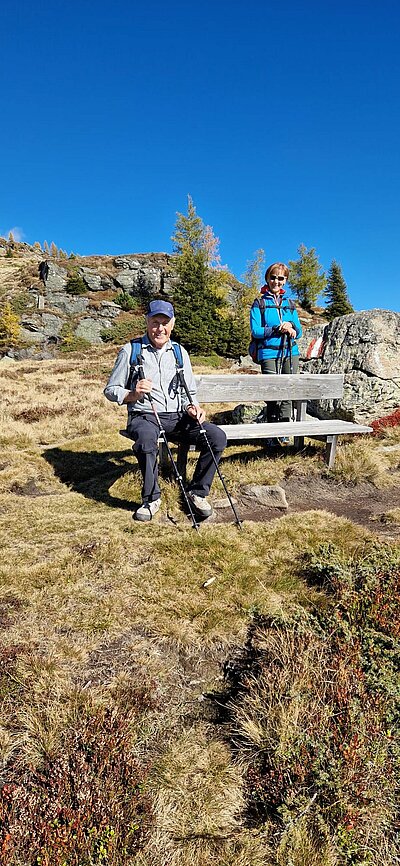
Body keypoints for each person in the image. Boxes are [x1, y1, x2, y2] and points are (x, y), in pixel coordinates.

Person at [104, 299, 227, 522]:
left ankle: (197, 492)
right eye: (155, 322)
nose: (159, 328)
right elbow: (111, 389)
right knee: (145, 441)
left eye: (165, 322)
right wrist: (132, 394)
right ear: (147, 322)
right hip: (144, 415)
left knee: (217, 437)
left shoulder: (180, 352)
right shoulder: (130, 350)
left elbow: (188, 391)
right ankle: (151, 499)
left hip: (177, 417)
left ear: (172, 324)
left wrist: (193, 407)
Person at [249, 262, 302, 428]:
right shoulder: (259, 303)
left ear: (285, 280)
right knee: (272, 392)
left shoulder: (290, 304)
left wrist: (291, 327)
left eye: (280, 278)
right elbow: (256, 331)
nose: (276, 281)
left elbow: (299, 332)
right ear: (267, 279)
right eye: (273, 277)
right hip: (268, 354)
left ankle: (285, 430)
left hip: (290, 353)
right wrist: (277, 328)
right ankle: (271, 430)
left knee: (288, 391)